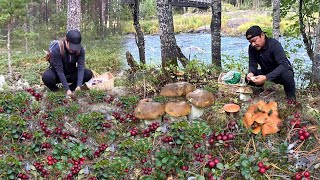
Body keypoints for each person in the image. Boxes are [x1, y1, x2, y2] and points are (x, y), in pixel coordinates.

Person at [245, 25, 296, 100]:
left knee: (287, 76)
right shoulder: (252, 48)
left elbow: (284, 65)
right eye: (250, 42)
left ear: (262, 35)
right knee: (248, 78)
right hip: (266, 71)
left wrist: (266, 78)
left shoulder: (274, 45)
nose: (253, 44)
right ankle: (264, 90)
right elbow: (253, 64)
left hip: (279, 73)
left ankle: (291, 99)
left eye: (254, 40)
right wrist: (251, 73)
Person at [42, 29, 93, 97]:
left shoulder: (80, 50)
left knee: (88, 74)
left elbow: (81, 67)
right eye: (71, 47)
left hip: (71, 73)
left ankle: (73, 88)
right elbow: (59, 70)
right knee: (47, 77)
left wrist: (79, 85)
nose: (73, 50)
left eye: (75, 47)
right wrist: (67, 89)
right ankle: (56, 90)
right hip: (57, 74)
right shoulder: (56, 49)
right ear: (66, 41)